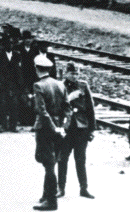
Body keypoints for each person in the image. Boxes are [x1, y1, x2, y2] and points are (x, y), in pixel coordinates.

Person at [31, 55, 71, 211]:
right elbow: (68, 109)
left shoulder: (38, 85)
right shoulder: (60, 85)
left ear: (37, 69)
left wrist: (53, 127)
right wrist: (63, 127)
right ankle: (46, 194)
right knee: (51, 161)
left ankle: (51, 201)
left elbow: (42, 111)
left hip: (45, 129)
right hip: (59, 129)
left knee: (48, 164)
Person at [57, 63, 95, 199]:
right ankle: (60, 188)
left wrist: (92, 129)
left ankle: (84, 188)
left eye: (77, 74)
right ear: (66, 73)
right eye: (72, 73)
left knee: (81, 160)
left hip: (81, 128)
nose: (75, 76)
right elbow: (56, 107)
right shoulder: (60, 86)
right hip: (66, 128)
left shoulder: (83, 85)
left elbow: (90, 108)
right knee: (62, 159)